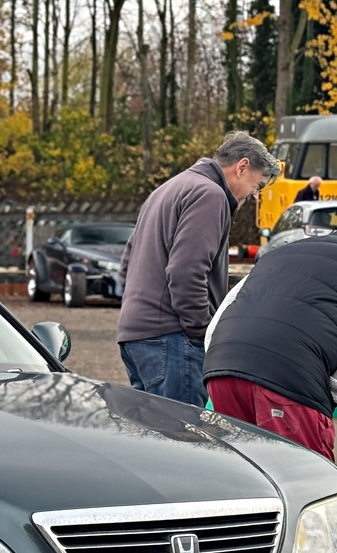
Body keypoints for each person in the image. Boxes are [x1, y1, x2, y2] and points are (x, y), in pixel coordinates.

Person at [202, 216, 337, 460]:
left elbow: (218, 321)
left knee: (244, 478)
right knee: (306, 481)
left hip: (222, 372)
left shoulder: (279, 255)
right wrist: (336, 391)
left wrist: (219, 361)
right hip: (290, 382)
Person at [117, 131, 280, 407]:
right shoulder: (210, 195)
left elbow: (126, 266)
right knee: (184, 443)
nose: (254, 195)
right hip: (173, 341)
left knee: (152, 443)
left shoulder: (167, 189)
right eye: (258, 185)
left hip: (136, 338)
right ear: (242, 167)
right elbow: (186, 272)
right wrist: (202, 331)